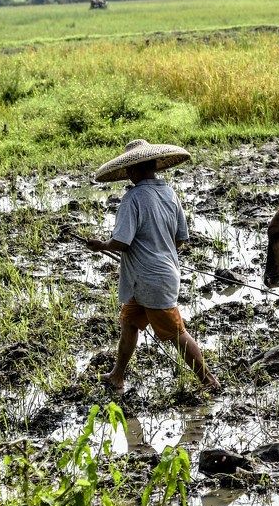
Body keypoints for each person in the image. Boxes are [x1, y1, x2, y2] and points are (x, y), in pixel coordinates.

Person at [85, 139, 221, 392]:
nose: (127, 173)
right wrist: (158, 251)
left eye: (129, 169)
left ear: (135, 169)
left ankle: (209, 381)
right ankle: (117, 375)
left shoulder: (133, 198)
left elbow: (122, 242)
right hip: (157, 275)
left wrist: (101, 245)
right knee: (129, 323)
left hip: (150, 279)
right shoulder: (170, 193)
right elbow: (181, 238)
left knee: (177, 332)